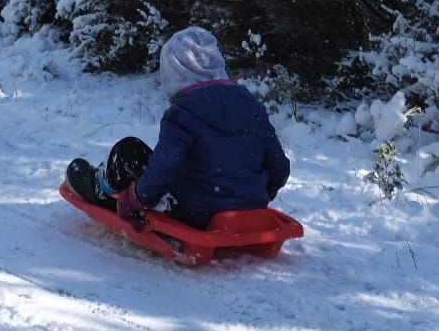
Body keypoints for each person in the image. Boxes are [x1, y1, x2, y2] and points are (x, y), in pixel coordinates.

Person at [65, 27, 290, 229]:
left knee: (129, 151)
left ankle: (100, 188)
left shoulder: (183, 112)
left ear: (175, 72)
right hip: (252, 206)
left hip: (196, 213)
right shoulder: (250, 105)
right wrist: (254, 194)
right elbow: (280, 167)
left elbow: (166, 166)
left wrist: (135, 199)